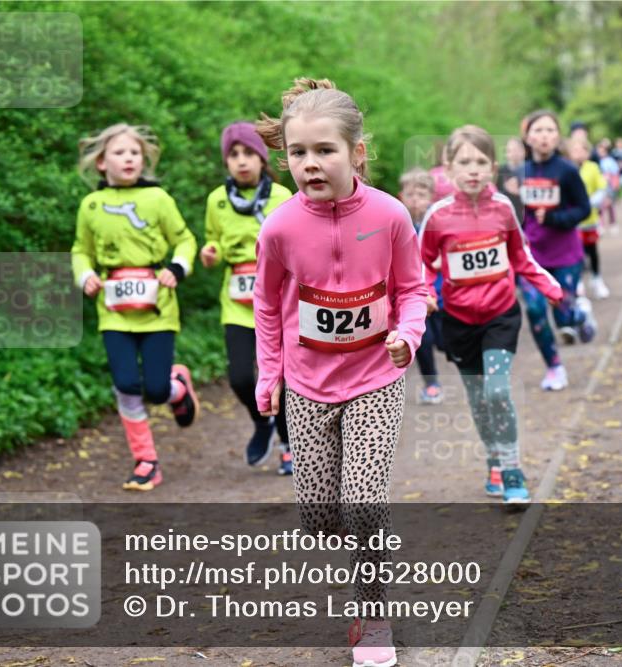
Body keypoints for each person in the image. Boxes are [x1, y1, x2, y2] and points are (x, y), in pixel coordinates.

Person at [254, 78, 427, 667]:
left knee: (364, 504)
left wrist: (405, 335)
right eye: (297, 153)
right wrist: (268, 374)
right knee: (322, 517)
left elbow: (413, 290)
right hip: (306, 383)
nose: (309, 164)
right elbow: (267, 302)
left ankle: (372, 614)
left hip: (376, 376)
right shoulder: (279, 227)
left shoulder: (391, 215)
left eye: (324, 150)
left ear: (356, 152)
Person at [418, 124, 562, 504]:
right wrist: (425, 294)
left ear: (493, 168)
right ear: (448, 168)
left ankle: (513, 467)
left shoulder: (503, 209)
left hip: (500, 314)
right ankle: (493, 459)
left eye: (481, 161)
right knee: (479, 398)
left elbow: (520, 257)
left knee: (498, 391)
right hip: (459, 320)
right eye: (464, 162)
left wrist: (548, 286)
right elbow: (423, 265)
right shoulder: (437, 216)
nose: (473, 170)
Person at [71, 123, 199, 491]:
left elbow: (185, 239)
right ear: (100, 163)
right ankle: (146, 460)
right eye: (119, 152)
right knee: (126, 384)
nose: (128, 158)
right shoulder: (90, 205)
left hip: (157, 308)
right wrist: (85, 277)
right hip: (113, 311)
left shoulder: (158, 199)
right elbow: (81, 250)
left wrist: (177, 268)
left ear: (143, 161)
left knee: (155, 390)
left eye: (135, 153)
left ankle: (176, 387)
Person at [200, 122, 294, 471]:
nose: (241, 161)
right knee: (240, 376)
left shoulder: (283, 198)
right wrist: (210, 253)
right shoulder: (217, 201)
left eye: (249, 153)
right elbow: (214, 241)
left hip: (280, 303)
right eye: (234, 154)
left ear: (262, 157)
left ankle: (288, 443)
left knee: (282, 377)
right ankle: (261, 422)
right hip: (237, 306)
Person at [519, 110, 595, 392]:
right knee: (536, 311)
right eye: (538, 130)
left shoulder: (567, 170)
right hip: (531, 257)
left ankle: (579, 314)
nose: (544, 136)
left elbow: (584, 209)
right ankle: (554, 368)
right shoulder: (519, 173)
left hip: (565, 254)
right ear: (528, 136)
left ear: (558, 136)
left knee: (564, 315)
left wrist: (555, 219)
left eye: (550, 130)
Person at [399, 167, 445, 405]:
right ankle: (432, 384)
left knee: (444, 340)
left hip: (442, 291)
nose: (416, 199)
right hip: (415, 296)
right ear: (401, 196)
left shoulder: (440, 223)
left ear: (432, 197)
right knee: (423, 341)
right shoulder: (398, 225)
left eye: (421, 194)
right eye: (410, 194)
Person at [566, 135, 610, 299]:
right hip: (572, 222)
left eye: (582, 149)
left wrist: (589, 203)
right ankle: (577, 283)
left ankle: (597, 279)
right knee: (576, 254)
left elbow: (601, 187)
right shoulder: (567, 168)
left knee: (592, 251)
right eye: (574, 149)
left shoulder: (592, 167)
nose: (578, 153)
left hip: (589, 219)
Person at [496, 136, 526, 223]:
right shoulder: (501, 171)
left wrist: (519, 192)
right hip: (507, 215)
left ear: (524, 152)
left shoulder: (530, 170)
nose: (514, 153)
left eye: (517, 150)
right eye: (510, 150)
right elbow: (496, 193)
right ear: (506, 153)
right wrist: (506, 190)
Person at [596, 141, 620, 234]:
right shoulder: (596, 161)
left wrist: (615, 185)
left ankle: (613, 223)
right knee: (600, 206)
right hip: (600, 187)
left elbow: (615, 174)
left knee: (609, 206)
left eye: (602, 151)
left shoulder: (610, 161)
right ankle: (601, 225)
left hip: (609, 187)